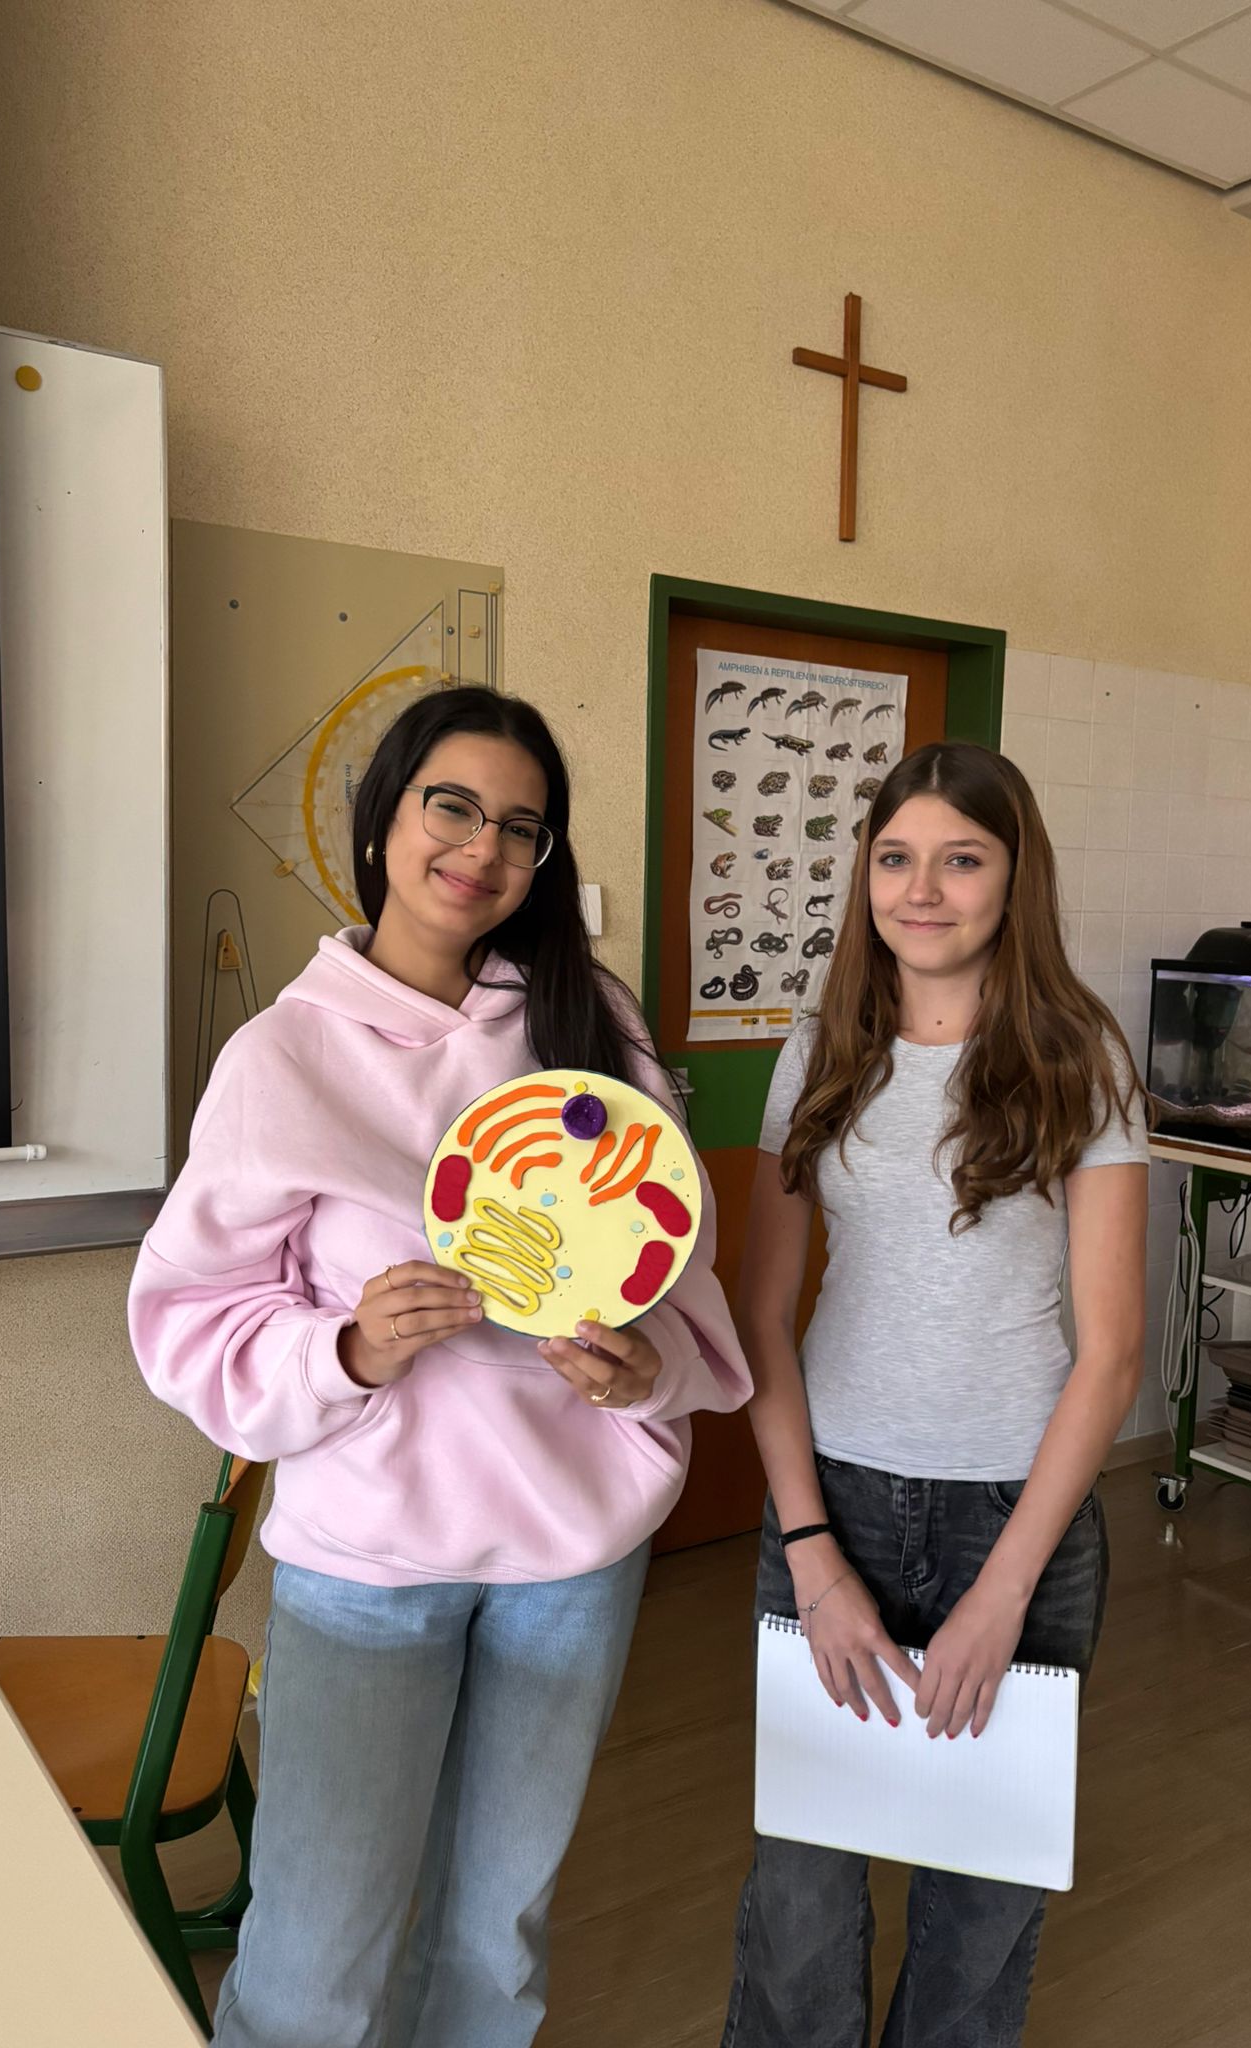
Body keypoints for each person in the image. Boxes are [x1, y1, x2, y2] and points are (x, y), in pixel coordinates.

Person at [129, 685, 749, 2048]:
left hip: (571, 1560)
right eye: (451, 807)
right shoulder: (284, 1057)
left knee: (493, 1941)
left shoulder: (590, 1025)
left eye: (521, 827)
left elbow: (677, 1267)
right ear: (382, 822)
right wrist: (345, 1350)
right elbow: (191, 1317)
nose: (482, 848)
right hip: (370, 1568)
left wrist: (643, 1372)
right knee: (316, 1959)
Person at [721, 740, 1148, 2048]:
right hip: (832, 1502)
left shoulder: (1081, 1056)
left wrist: (1005, 1592)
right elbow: (761, 1316)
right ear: (864, 874)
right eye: (896, 858)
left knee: (979, 1908)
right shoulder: (819, 1047)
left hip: (1016, 1521)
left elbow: (1111, 1355)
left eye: (961, 859)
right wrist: (809, 1548)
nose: (922, 889)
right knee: (801, 1898)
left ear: (1015, 879)